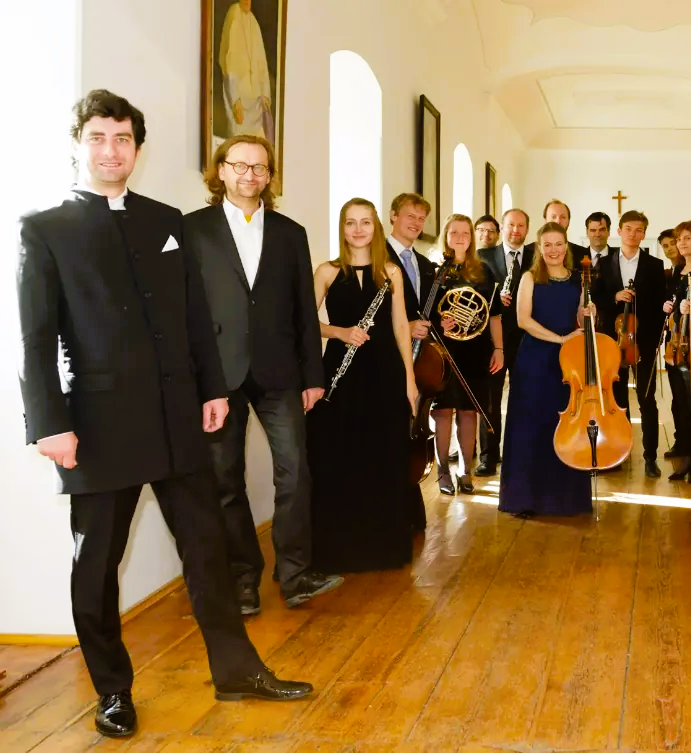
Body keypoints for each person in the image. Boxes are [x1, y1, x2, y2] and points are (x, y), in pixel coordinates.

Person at [16, 89, 311, 739]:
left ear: (138, 149)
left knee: (208, 551)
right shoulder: (44, 227)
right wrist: (49, 422)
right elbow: (36, 338)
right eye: (98, 138)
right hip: (97, 426)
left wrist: (212, 389)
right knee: (97, 564)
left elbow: (193, 316)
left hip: (177, 416)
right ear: (78, 145)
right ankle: (112, 690)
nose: (111, 150)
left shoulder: (166, 220)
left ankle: (237, 670)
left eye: (123, 139)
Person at [185, 135, 340, 616]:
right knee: (224, 479)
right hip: (218, 375)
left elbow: (303, 308)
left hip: (280, 372)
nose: (250, 174)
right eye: (240, 165)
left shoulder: (291, 233)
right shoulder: (192, 229)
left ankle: (294, 574)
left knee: (295, 473)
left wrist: (313, 375)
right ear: (221, 170)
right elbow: (184, 307)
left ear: (270, 176)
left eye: (260, 168)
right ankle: (242, 579)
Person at [305, 198, 419, 572]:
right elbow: (304, 322)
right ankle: (338, 548)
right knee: (336, 455)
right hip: (340, 374)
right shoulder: (326, 271)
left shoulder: (390, 272)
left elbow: (401, 326)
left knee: (383, 456)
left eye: (365, 222)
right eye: (350, 222)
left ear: (376, 227)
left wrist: (410, 379)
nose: (358, 229)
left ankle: (381, 548)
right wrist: (339, 332)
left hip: (384, 374)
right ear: (342, 228)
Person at [498, 223, 593, 517]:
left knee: (564, 424)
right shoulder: (530, 277)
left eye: (558, 244)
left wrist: (589, 313)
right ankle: (525, 499)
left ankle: (565, 499)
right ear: (539, 248)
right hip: (535, 359)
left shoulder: (578, 279)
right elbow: (523, 320)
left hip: (568, 362)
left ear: (566, 247)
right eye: (547, 245)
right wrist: (560, 339)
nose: (553, 250)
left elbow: (581, 319)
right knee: (531, 425)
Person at [430, 214, 504, 495]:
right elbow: (424, 312)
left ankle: (465, 470)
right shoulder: (435, 271)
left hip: (475, 350)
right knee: (442, 411)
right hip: (443, 351)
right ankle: (442, 472)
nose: (460, 237)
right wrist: (440, 321)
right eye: (454, 232)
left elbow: (494, 315)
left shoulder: (483, 271)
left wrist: (499, 349)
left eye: (465, 233)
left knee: (469, 411)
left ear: (472, 238)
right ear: (445, 236)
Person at [595, 210, 667, 477]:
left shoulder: (655, 265)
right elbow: (595, 298)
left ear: (644, 234)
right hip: (613, 341)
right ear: (619, 231)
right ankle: (620, 451)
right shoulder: (603, 263)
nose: (633, 234)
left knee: (647, 399)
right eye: (628, 229)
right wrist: (615, 297)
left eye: (639, 230)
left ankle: (650, 457)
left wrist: (654, 341)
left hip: (643, 343)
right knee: (617, 399)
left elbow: (660, 305)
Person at [384, 192, 438, 530]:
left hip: (416, 360)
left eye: (421, 219)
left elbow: (425, 311)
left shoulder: (424, 263)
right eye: (410, 216)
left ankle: (407, 506)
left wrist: (440, 323)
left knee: (407, 430)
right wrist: (406, 325)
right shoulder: (376, 256)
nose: (416, 223)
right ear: (393, 216)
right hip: (385, 356)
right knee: (387, 433)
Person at [477, 208, 533, 476]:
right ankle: (488, 456)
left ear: (527, 229)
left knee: (525, 399)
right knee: (490, 400)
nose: (515, 230)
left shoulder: (537, 257)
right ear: (502, 227)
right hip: (493, 341)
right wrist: (494, 300)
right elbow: (477, 296)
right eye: (511, 225)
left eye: (521, 226)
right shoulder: (483, 256)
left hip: (528, 340)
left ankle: (521, 454)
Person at [661, 220, 691, 482]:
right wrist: (670, 307)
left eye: (688, 238)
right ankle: (688, 455)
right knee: (681, 404)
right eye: (679, 239)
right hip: (677, 346)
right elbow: (674, 309)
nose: (682, 243)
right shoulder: (677, 273)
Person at [218, 0, 274, 142]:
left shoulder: (253, 22)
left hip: (255, 103)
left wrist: (265, 92)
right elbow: (230, 62)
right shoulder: (234, 15)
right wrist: (235, 100)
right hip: (240, 102)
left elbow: (261, 60)